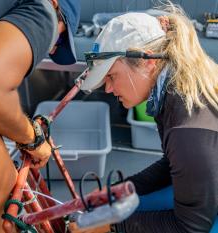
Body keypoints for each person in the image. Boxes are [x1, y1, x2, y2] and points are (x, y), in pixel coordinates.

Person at [80, 3, 218, 233]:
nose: (108, 88)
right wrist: (119, 190)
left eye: (112, 76)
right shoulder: (176, 86)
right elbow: (174, 165)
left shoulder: (189, 128)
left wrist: (111, 227)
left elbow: (191, 228)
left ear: (148, 62)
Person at [0, 0, 80, 232]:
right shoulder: (44, 10)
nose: (51, 49)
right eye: (58, 40)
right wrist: (33, 138)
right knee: (1, 203)